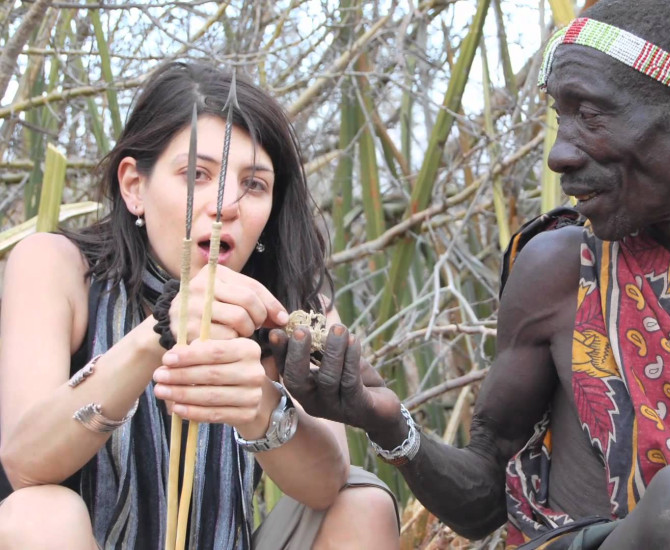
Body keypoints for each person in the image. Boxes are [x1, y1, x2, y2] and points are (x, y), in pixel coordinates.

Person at [280, 0, 670, 548]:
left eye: (591, 115)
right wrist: (382, 421)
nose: (559, 154)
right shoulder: (561, 270)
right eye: (560, 116)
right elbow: (482, 503)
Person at [0, 61, 399, 549]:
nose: (226, 204)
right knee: (42, 512)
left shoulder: (290, 306)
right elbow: (24, 462)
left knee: (362, 501)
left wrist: (257, 403)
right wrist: (158, 333)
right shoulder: (58, 266)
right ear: (134, 186)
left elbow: (324, 484)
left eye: (254, 184)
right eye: (197, 174)